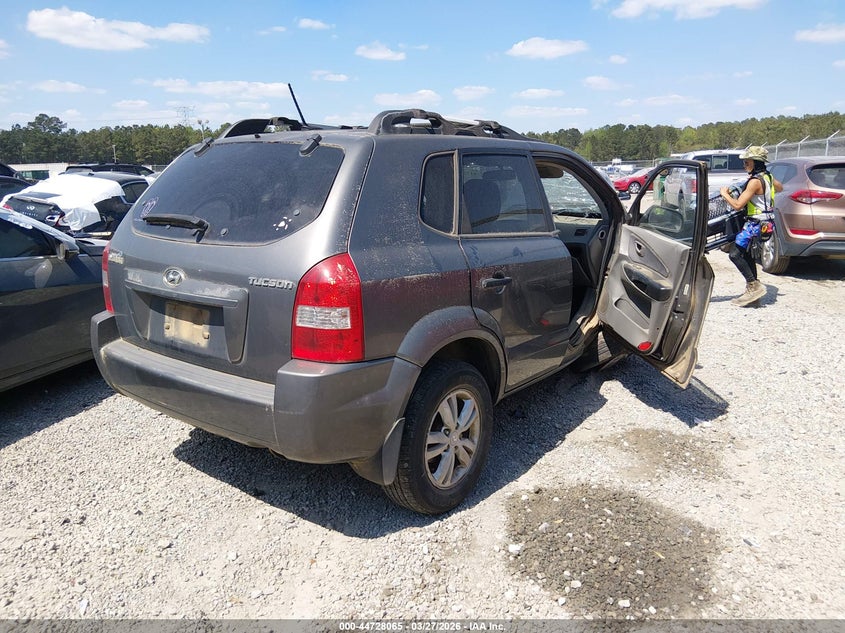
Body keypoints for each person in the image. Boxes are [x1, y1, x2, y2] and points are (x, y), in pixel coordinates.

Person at [719, 146, 782, 306]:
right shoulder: (768, 176)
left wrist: (725, 194)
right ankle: (754, 293)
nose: (745, 164)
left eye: (747, 162)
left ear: (756, 162)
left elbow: (738, 204)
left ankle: (754, 285)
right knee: (746, 255)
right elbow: (780, 187)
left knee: (735, 254)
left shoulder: (754, 182)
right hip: (767, 223)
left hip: (755, 223)